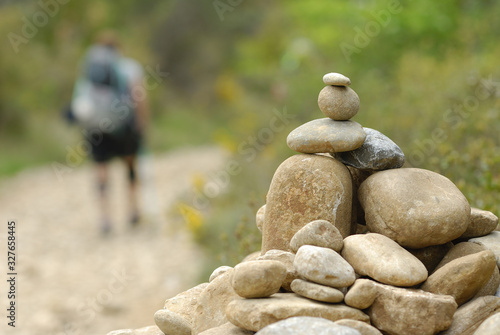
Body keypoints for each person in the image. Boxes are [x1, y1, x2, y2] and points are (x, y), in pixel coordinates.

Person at [71, 31, 149, 234]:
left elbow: (81, 101)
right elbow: (138, 95)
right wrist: (141, 122)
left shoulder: (89, 67)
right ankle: (133, 210)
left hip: (96, 127)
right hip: (124, 124)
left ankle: (105, 217)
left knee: (101, 169)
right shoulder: (129, 66)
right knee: (130, 164)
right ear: (118, 47)